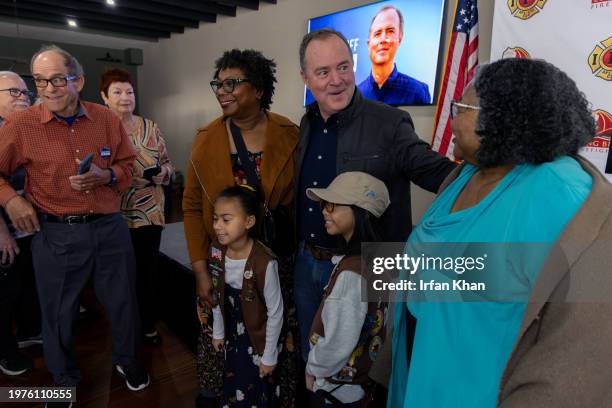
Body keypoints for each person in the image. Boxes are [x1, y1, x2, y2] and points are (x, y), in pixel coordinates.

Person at [388, 58, 612, 407]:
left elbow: (585, 330)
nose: (451, 117)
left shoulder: (560, 193)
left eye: (460, 108)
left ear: (504, 118)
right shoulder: (465, 174)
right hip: (422, 372)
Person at [295, 28, 455, 367]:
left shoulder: (390, 122)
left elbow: (433, 170)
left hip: (367, 267)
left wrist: (488, 176)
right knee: (313, 356)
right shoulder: (307, 123)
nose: (336, 80)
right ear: (306, 78)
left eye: (343, 67)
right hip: (308, 262)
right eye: (323, 72)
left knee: (361, 370)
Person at [0, 45, 149, 399]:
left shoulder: (106, 120)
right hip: (55, 234)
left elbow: (128, 167)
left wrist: (106, 175)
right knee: (57, 313)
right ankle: (63, 379)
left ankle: (128, 360)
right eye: (39, 81)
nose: (47, 89)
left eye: (56, 79)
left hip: (110, 228)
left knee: (124, 302)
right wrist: (13, 198)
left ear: (78, 80)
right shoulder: (21, 125)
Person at [183, 49, 299, 407]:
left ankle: (273, 394)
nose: (222, 90)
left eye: (232, 83)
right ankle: (221, 396)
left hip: (274, 260)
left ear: (259, 88)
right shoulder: (206, 138)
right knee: (219, 333)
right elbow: (190, 205)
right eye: (218, 83)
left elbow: (299, 201)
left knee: (274, 330)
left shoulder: (289, 134)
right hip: (222, 259)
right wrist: (201, 269)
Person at [100, 67, 174, 346]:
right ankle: (123, 327)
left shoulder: (150, 126)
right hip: (114, 214)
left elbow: (168, 162)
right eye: (117, 92)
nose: (124, 97)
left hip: (150, 212)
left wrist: (164, 173)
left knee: (147, 272)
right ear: (104, 97)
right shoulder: (99, 130)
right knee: (119, 276)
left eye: (129, 91)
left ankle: (147, 324)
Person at [305, 172, 389, 406]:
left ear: (361, 212)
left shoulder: (351, 275)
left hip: (334, 390)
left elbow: (337, 342)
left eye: (332, 206)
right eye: (324, 205)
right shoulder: (379, 262)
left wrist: (313, 367)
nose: (324, 211)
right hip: (358, 387)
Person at [208, 185, 283, 406]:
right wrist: (218, 332)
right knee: (233, 382)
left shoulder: (264, 262)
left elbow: (276, 312)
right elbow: (216, 293)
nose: (217, 226)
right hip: (232, 336)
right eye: (215, 219)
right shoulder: (216, 251)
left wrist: (269, 355)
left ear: (249, 222)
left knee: (255, 389)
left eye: (226, 219)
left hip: (258, 341)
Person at [0, 71, 41, 377]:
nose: (22, 97)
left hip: (31, 228)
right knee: (5, 292)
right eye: (13, 92)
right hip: (5, 231)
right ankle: (5, 351)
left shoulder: (27, 128)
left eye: (25, 92)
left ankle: (29, 331)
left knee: (27, 284)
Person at [357, 6, 431, 106]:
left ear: (400, 38)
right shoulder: (356, 96)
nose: (383, 39)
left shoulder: (417, 92)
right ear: (368, 43)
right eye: (377, 34)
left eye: (390, 31)